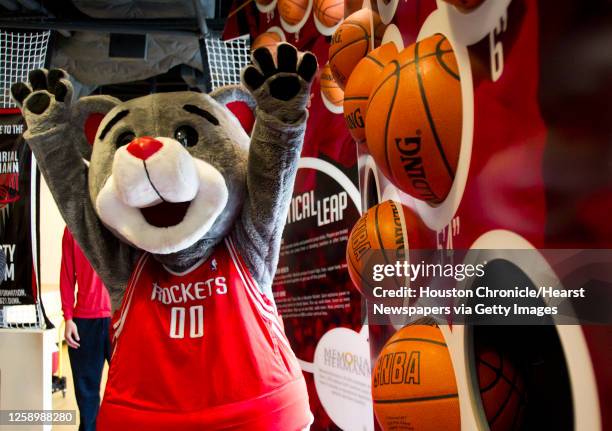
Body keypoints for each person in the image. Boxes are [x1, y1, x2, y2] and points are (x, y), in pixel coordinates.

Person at [60, 227, 111, 431]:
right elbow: (66, 274)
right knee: (87, 395)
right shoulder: (73, 229)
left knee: (125, 392)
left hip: (118, 320)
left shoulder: (118, 223)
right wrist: (68, 317)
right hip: (84, 322)